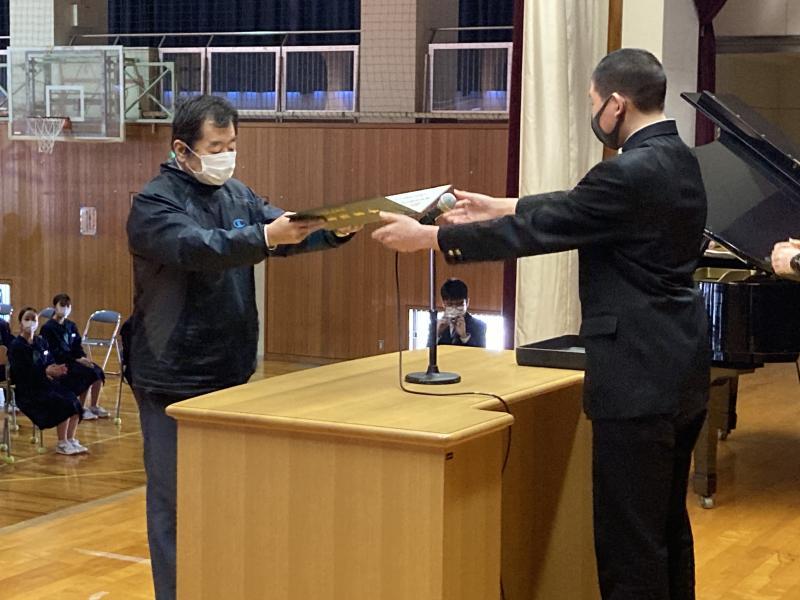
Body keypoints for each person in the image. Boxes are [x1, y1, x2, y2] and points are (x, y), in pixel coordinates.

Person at [373, 48, 710, 600]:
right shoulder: (678, 158)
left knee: (630, 545)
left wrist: (432, 237)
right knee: (667, 526)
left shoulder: (625, 172)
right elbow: (577, 206)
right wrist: (500, 204)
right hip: (681, 367)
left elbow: (546, 229)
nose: (594, 112)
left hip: (636, 378)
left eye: (594, 102)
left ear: (616, 104)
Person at [126, 94, 356, 600]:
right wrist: (267, 235)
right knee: (175, 504)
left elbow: (283, 230)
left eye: (232, 145)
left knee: (230, 500)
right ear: (182, 150)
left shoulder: (238, 194)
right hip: (171, 376)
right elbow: (199, 248)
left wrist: (332, 230)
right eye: (216, 147)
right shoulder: (154, 204)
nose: (226, 156)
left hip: (230, 371)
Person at [7, 308, 86, 455]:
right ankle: (62, 442)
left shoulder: (40, 341)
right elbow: (22, 372)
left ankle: (70, 439)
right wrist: (44, 371)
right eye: (27, 319)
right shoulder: (17, 346)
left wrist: (56, 368)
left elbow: (49, 360)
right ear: (20, 323)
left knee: (73, 399)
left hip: (46, 383)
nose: (30, 322)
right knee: (63, 403)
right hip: (29, 389)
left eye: (34, 319)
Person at [40, 293, 107, 420]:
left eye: (68, 306)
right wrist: (76, 359)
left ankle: (94, 405)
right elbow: (54, 351)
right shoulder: (48, 328)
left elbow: (77, 345)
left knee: (96, 370)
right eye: (62, 305)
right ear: (55, 307)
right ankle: (80, 408)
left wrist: (82, 357)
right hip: (61, 362)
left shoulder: (71, 325)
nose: (65, 309)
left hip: (74, 359)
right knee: (86, 373)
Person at [429, 278, 487, 348]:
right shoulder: (435, 325)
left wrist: (464, 336)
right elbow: (427, 351)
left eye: (459, 304)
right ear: (443, 303)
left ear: (467, 302)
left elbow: (480, 352)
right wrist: (437, 335)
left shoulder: (479, 326)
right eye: (450, 304)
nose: (454, 308)